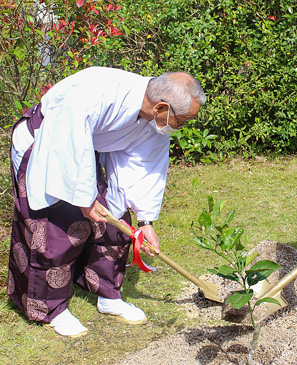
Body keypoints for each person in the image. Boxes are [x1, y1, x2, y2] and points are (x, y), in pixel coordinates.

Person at [7, 67, 206, 338]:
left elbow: (144, 166)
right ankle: (49, 309)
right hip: (48, 146)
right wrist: (84, 199)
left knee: (116, 220)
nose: (181, 126)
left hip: (88, 150)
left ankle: (107, 293)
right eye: (181, 120)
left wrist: (145, 220)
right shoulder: (98, 91)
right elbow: (67, 142)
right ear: (161, 106)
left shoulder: (155, 120)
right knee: (58, 228)